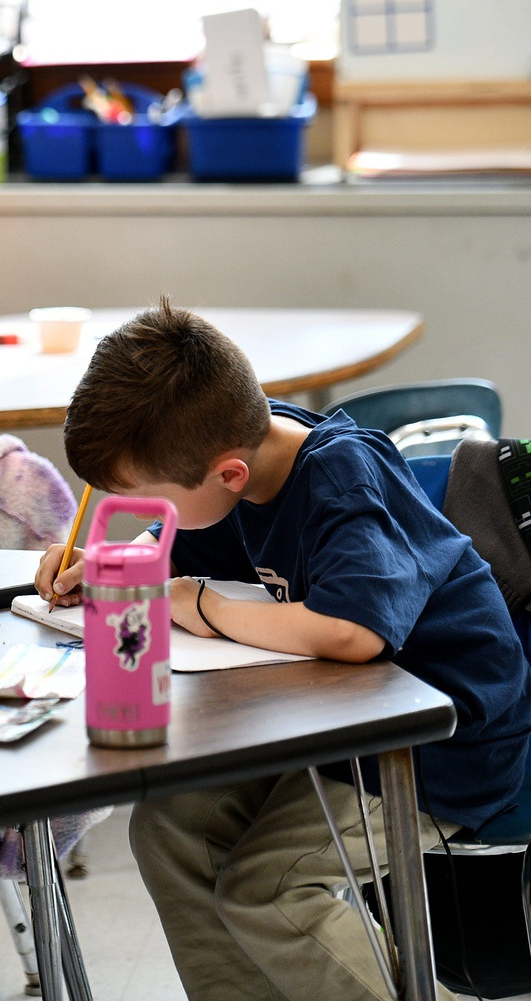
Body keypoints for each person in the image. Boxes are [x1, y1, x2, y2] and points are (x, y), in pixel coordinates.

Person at [33, 297, 531, 1001]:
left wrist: (207, 608)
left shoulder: (340, 477)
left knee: (266, 891)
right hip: (330, 729)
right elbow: (171, 550)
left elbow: (353, 632)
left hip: (441, 748)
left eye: (151, 502)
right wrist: (103, 562)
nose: (150, 518)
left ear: (227, 473)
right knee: (168, 831)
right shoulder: (226, 467)